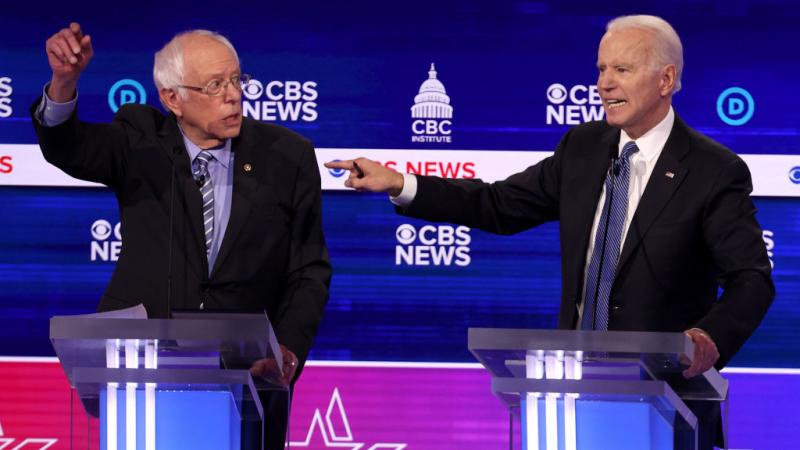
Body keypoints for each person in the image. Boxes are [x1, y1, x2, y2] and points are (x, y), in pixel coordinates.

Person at [326, 15, 773, 449]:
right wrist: (403, 184)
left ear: (665, 79)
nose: (604, 83)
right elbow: (498, 205)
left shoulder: (713, 170)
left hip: (668, 407)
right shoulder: (582, 149)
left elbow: (752, 279)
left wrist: (706, 339)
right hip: (574, 401)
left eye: (622, 69)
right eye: (601, 69)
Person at [33, 23, 331, 449]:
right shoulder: (141, 140)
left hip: (251, 378)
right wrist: (64, 82)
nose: (232, 95)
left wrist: (288, 349)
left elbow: (308, 270)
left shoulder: (287, 156)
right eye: (214, 85)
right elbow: (69, 147)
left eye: (235, 80)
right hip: (144, 372)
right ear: (173, 98)